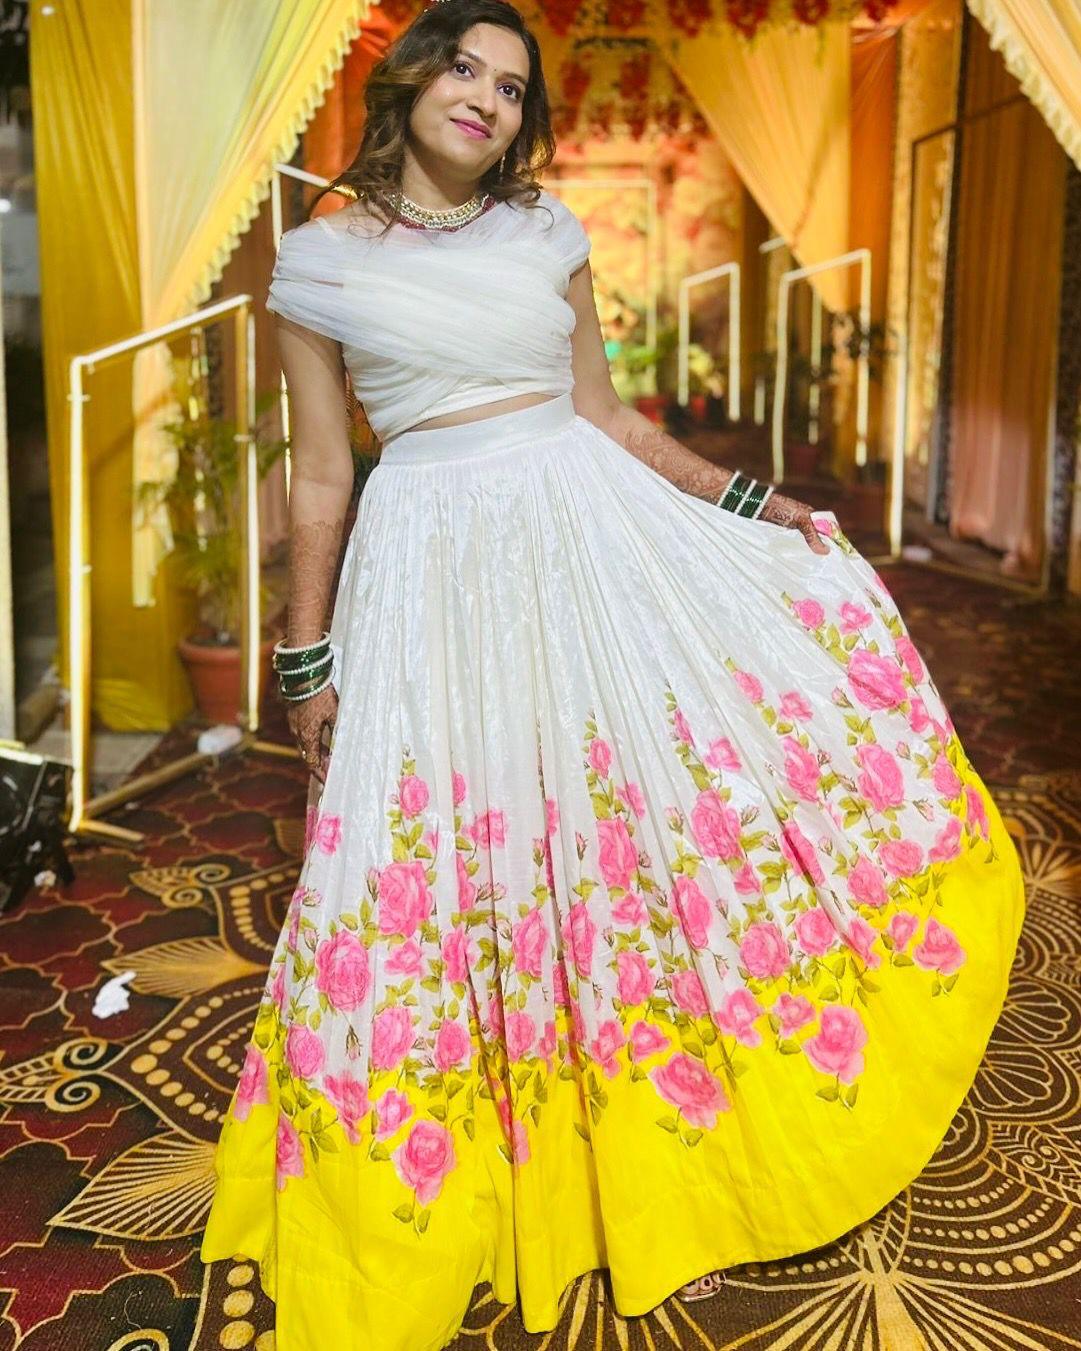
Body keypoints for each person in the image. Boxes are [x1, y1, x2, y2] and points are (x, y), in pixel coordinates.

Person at [199, 0, 1026, 1345]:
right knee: (451, 843)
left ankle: (663, 1124)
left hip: (585, 536)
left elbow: (607, 415)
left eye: (513, 87)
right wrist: (307, 657)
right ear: (409, 78)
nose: (486, 98)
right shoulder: (318, 261)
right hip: (428, 567)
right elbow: (322, 474)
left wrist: (749, 501)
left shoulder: (544, 232)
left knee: (621, 817)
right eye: (465, 68)